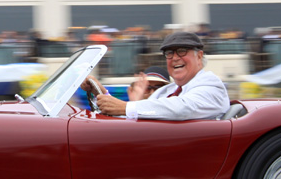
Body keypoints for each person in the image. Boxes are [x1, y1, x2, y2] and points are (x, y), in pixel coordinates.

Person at [89, 31, 229, 120]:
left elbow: (182, 108)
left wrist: (126, 107)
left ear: (199, 56)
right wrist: (100, 92)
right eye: (169, 53)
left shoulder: (210, 84)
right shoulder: (168, 90)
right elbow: (137, 114)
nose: (174, 58)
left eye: (181, 51)